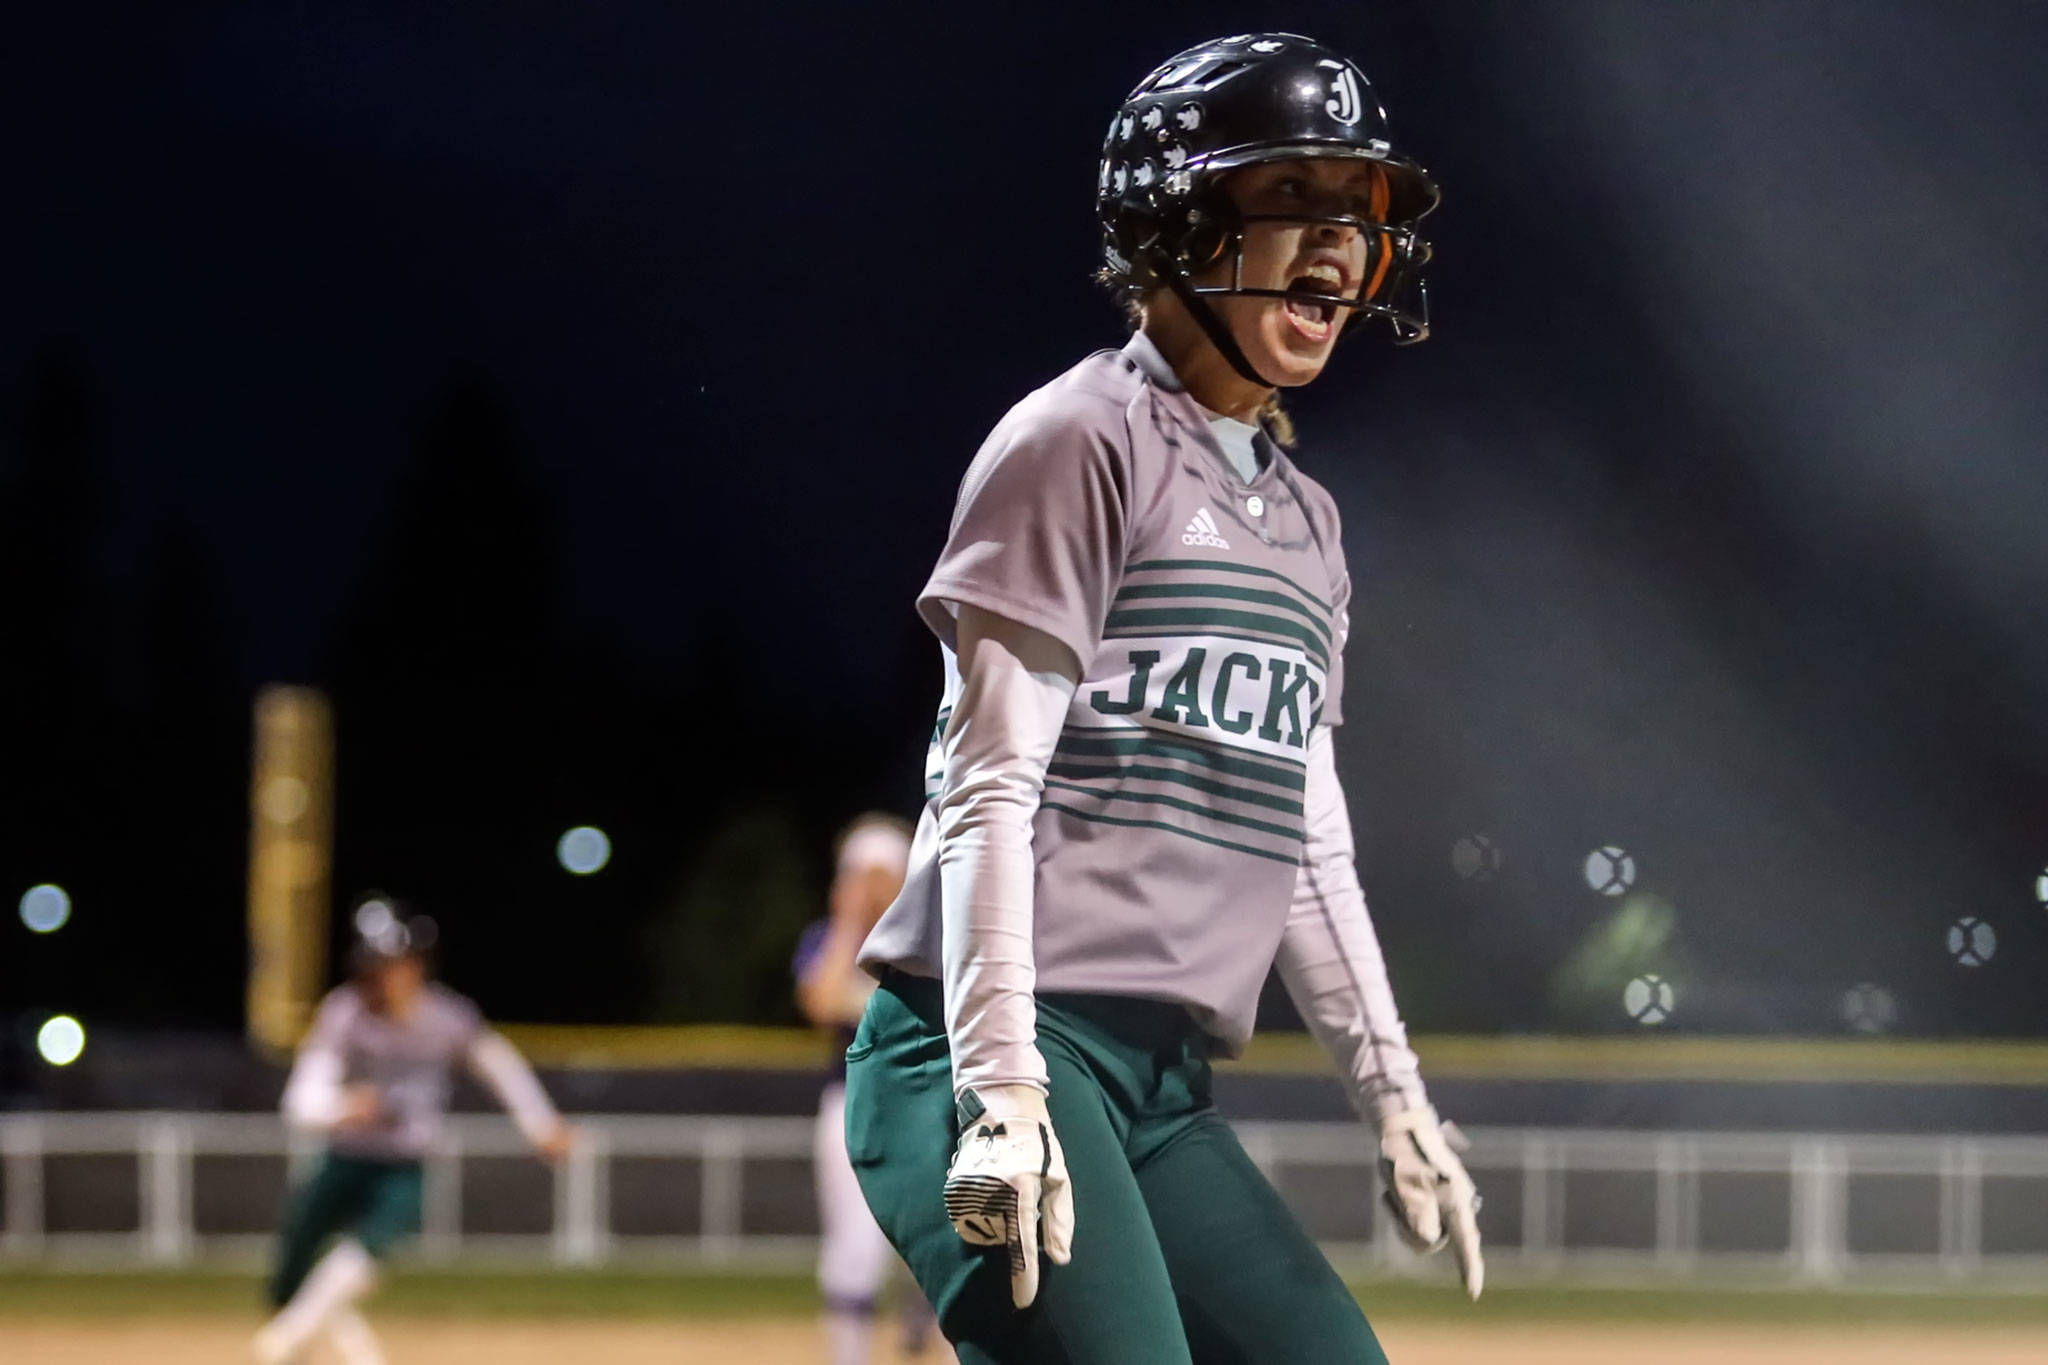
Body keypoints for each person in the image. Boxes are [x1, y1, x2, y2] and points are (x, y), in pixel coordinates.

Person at [844, 33, 1483, 1363]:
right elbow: (990, 788)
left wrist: (1396, 1097)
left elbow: (1304, 848)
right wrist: (1007, 1087)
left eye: (1359, 219)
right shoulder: (1082, 437)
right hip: (994, 1045)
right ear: (1180, 216)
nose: (1340, 253)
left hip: (1155, 1082)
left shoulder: (1306, 521)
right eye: (1299, 202)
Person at [254, 896, 573, 1365]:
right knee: (288, 1280)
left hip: (404, 1160)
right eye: (378, 966)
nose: (389, 976)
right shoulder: (344, 1013)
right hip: (345, 1157)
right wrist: (342, 1107)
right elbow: (299, 1100)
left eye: (397, 964)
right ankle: (329, 1343)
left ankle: (286, 1342)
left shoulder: (448, 1017)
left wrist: (540, 1123)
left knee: (369, 1248)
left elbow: (498, 1066)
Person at [796, 813, 944, 1364]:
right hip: (852, 1105)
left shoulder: (930, 936)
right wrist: (849, 917)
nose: (871, 887)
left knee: (952, 1242)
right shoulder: (829, 939)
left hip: (928, 1103)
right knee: (853, 1251)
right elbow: (822, 1001)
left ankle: (928, 1320)